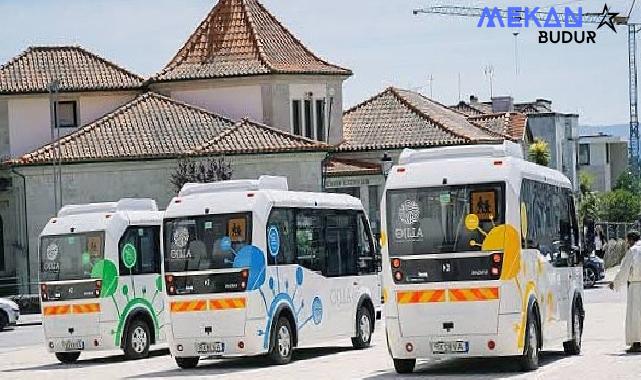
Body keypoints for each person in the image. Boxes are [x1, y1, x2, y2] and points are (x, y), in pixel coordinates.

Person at [609, 230, 641, 352]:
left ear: (631, 240)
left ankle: (637, 342)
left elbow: (624, 270)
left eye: (627, 240)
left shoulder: (633, 251)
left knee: (636, 315)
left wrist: (615, 283)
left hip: (636, 286)